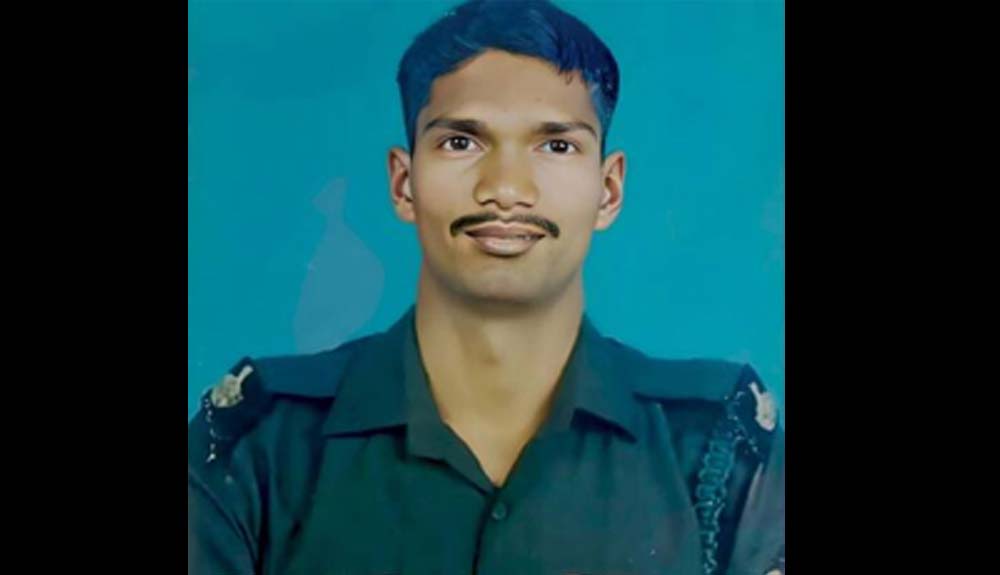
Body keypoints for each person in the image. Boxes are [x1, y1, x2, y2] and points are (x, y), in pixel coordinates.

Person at [188, 1, 784, 574]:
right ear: (403, 183)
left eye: (556, 145)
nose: (505, 188)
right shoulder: (258, 446)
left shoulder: (717, 449)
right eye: (461, 142)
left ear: (609, 191)